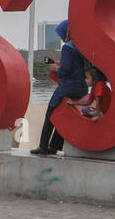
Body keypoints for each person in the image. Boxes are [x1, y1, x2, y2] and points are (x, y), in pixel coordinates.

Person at [33, 19, 88, 155]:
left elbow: (66, 70)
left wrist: (56, 68)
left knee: (51, 114)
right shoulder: (81, 46)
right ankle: (55, 146)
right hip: (82, 89)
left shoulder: (67, 47)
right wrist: (61, 63)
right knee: (65, 114)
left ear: (66, 32)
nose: (61, 38)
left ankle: (43, 146)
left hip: (67, 87)